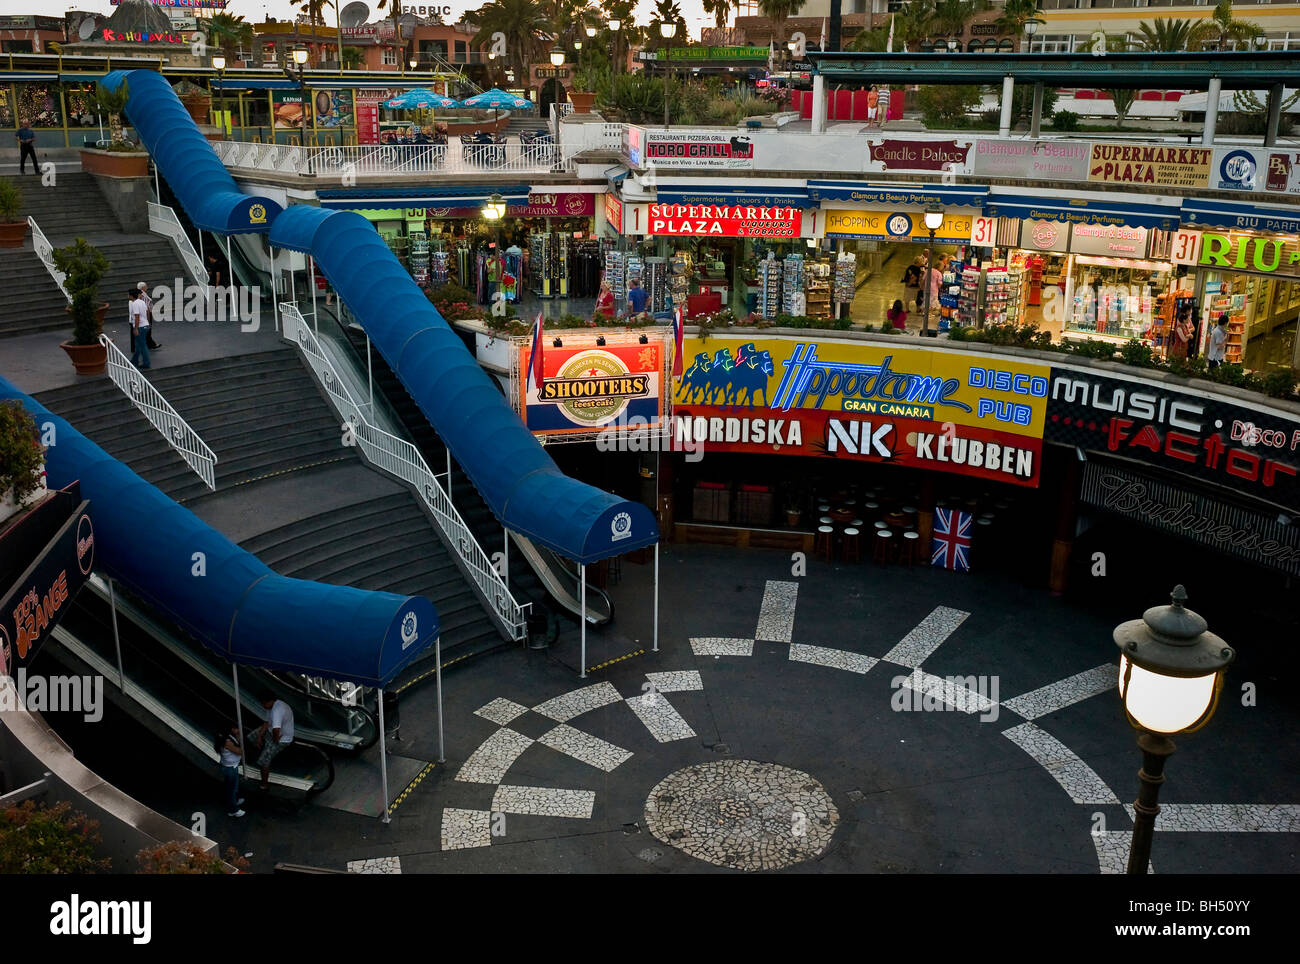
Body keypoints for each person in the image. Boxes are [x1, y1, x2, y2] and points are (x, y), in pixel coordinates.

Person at [255, 692, 294, 790]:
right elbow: (267, 722)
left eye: (263, 704)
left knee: (264, 761)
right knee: (253, 735)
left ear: (270, 701)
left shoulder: (277, 710)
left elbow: (276, 729)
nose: (262, 706)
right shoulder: (271, 707)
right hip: (272, 733)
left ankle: (264, 785)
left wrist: (275, 742)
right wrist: (259, 736)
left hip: (282, 738)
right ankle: (260, 751)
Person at [217, 722, 246, 818]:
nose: (238, 730)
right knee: (231, 790)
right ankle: (233, 810)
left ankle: (235, 800)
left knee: (233, 787)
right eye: (236, 728)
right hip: (230, 768)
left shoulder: (228, 737)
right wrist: (239, 737)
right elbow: (240, 751)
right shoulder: (227, 742)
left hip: (232, 766)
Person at [128, 289, 151, 369]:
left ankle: (146, 363)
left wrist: (136, 328)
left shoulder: (134, 304)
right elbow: (147, 311)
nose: (128, 296)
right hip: (145, 325)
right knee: (138, 345)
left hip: (140, 327)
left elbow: (137, 317)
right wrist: (148, 322)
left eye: (129, 295)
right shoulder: (142, 302)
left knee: (143, 345)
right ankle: (134, 360)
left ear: (131, 296)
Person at [137, 282, 160, 350]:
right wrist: (148, 318)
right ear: (142, 288)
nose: (147, 287)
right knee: (147, 329)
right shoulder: (142, 295)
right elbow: (146, 307)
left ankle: (150, 344)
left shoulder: (142, 294)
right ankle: (150, 344)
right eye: (146, 286)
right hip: (146, 314)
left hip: (145, 314)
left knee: (147, 330)